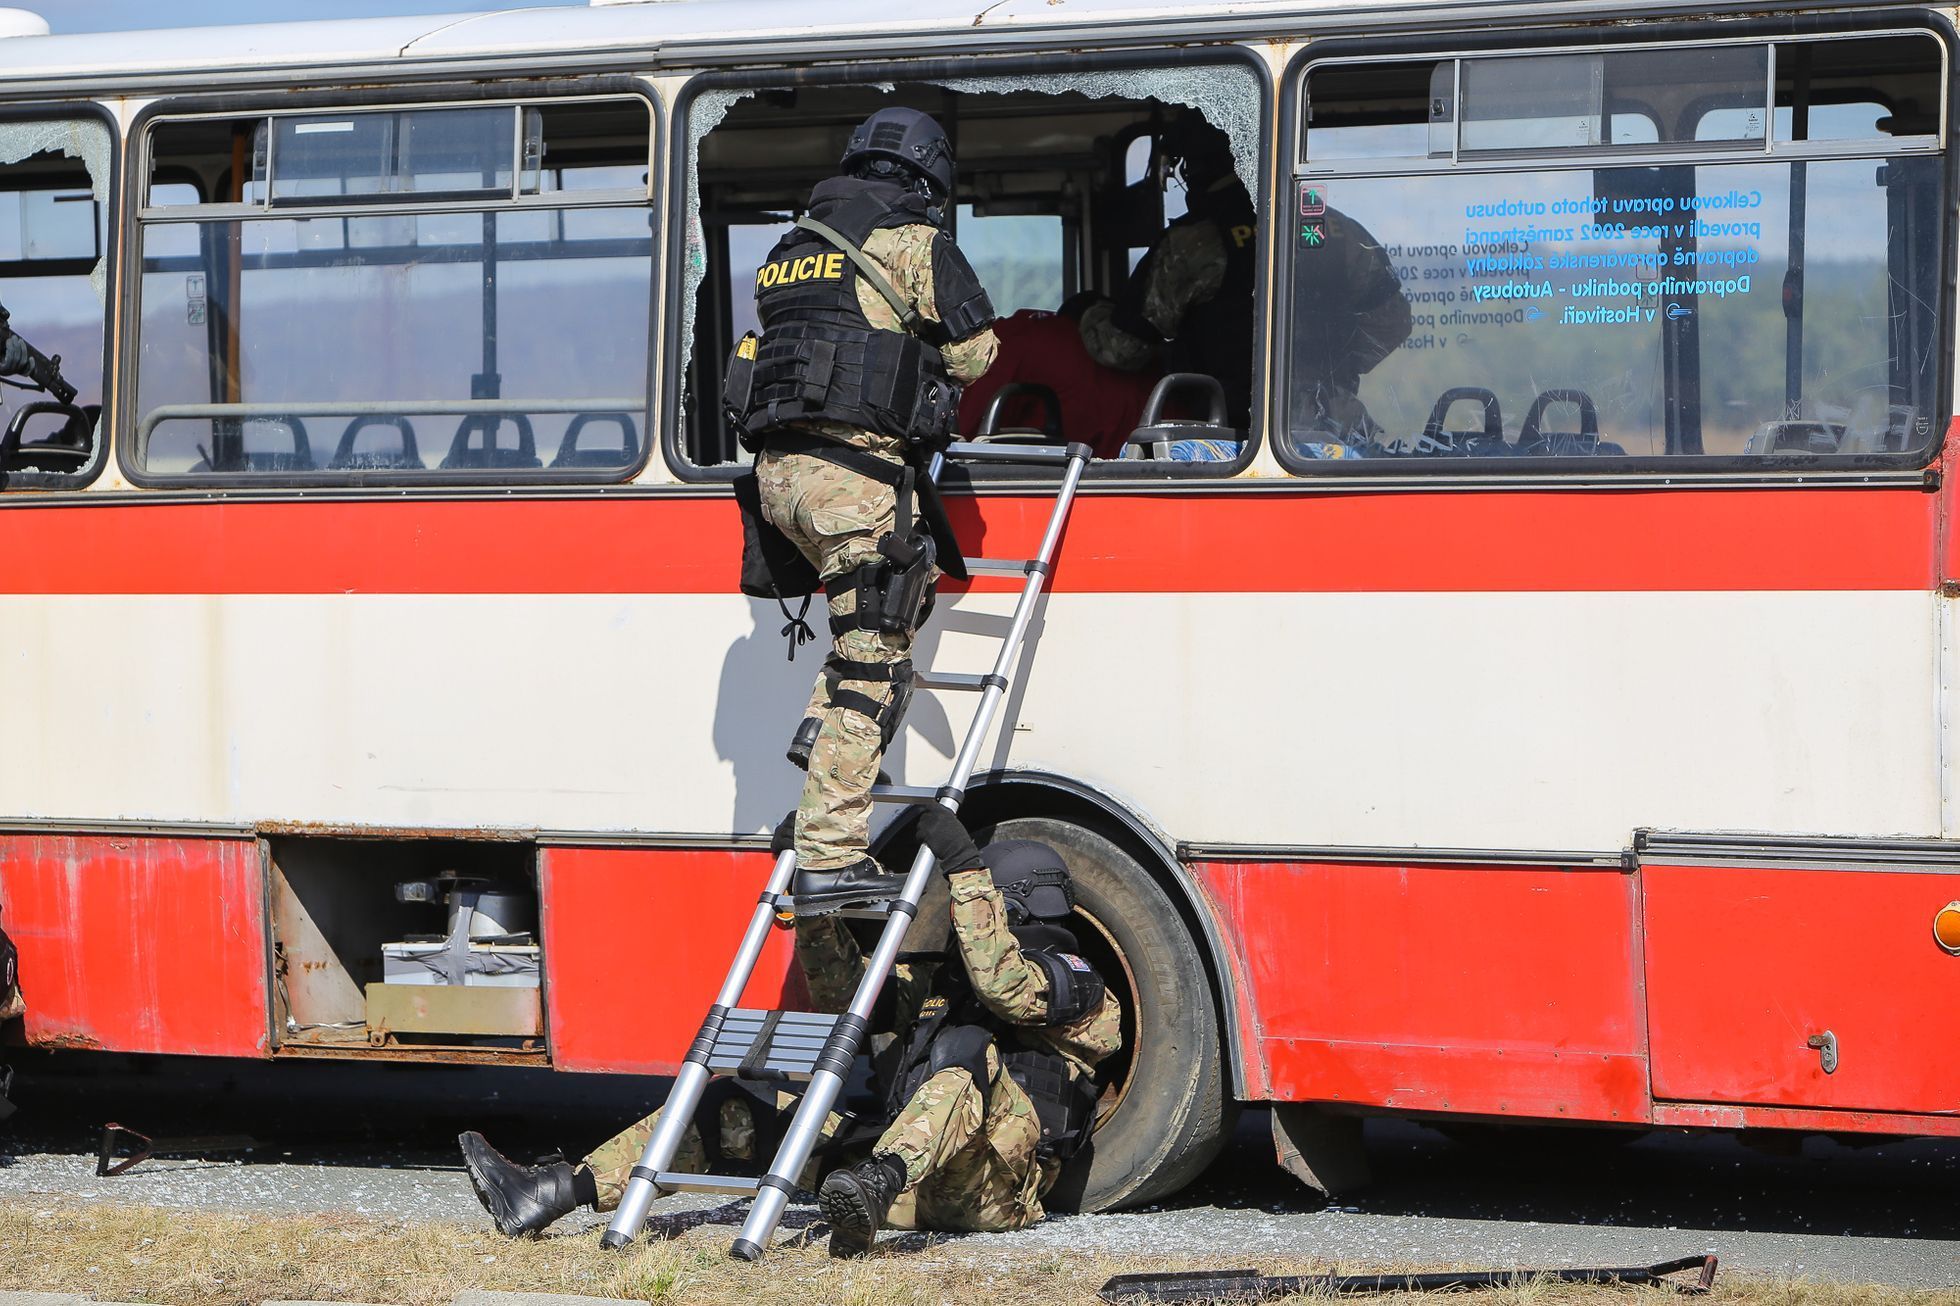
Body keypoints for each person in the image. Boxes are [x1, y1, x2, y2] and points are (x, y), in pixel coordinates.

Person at [457, 810, 1122, 1257]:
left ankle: (875, 1182)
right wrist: (813, 898)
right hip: (888, 1190)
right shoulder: (947, 990)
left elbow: (1005, 985)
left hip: (989, 1192)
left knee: (963, 1058)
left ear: (1011, 907)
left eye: (978, 906)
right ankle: (551, 1193)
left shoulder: (1080, 989)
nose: (960, 919)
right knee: (730, 1109)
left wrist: (962, 864)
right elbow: (846, 996)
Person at [730, 106, 999, 913]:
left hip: (779, 484)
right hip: (850, 485)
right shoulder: (915, 244)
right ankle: (830, 857)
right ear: (928, 176)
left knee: (864, 630)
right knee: (875, 665)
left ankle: (822, 744)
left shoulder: (787, 251)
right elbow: (976, 352)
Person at [1079, 112, 1258, 432]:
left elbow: (1121, 348)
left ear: (1195, 169)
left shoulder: (1192, 243)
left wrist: (1089, 313)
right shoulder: (1324, 228)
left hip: (1224, 434)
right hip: (1317, 429)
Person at [956, 294, 1158, 459]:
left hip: (1068, 482)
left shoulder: (1013, 341)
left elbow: (961, 435)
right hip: (1153, 473)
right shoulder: (1152, 369)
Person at [1286, 204, 1412, 452]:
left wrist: (1330, 371)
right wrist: (1333, 370)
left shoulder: (1200, 235)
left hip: (1224, 419)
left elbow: (1394, 320)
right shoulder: (1339, 229)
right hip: (1329, 414)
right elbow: (1394, 320)